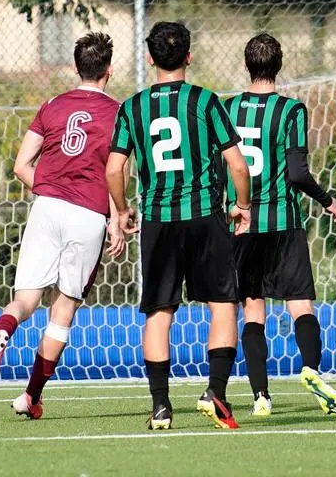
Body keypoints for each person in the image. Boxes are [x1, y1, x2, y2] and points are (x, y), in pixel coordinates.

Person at [106, 22, 252, 430]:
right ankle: (216, 393)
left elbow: (114, 167)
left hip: (158, 220)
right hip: (205, 216)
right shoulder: (205, 101)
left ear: (150, 58)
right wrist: (243, 205)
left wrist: (121, 209)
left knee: (159, 311)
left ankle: (160, 407)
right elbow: (237, 164)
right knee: (222, 305)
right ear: (188, 56)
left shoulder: (132, 107)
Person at [0, 33, 124, 420]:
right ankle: (31, 396)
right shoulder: (118, 113)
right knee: (63, 309)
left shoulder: (52, 105)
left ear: (75, 68)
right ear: (109, 70)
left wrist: (49, 190)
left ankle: (3, 332)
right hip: (88, 214)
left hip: (46, 208)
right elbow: (116, 170)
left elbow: (21, 165)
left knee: (25, 300)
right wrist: (117, 218)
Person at [225, 33, 336, 416]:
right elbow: (296, 174)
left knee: (253, 308)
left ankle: (260, 395)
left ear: (247, 66)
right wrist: (327, 199)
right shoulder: (292, 111)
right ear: (279, 66)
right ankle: (310, 369)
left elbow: (218, 166)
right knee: (300, 304)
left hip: (243, 223)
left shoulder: (227, 110)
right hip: (284, 221)